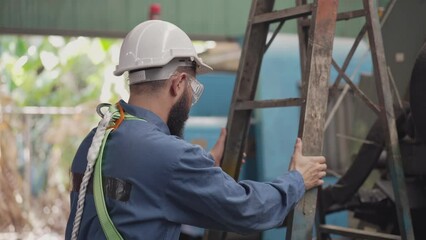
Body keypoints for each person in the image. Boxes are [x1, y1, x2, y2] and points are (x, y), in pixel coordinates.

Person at [65, 20, 327, 240]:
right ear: (178, 83)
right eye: (193, 88)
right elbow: (247, 210)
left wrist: (206, 165)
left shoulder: (93, 141)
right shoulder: (170, 156)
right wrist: (297, 178)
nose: (191, 98)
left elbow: (138, 195)